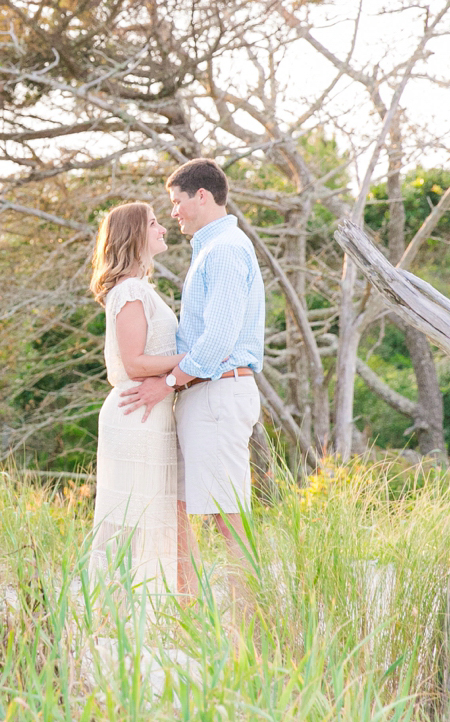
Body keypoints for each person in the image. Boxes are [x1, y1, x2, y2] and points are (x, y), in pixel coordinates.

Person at [120, 158, 264, 602]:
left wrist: (167, 383)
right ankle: (192, 610)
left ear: (201, 196)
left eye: (177, 202)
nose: (175, 213)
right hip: (205, 393)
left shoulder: (224, 250)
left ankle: (249, 618)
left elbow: (219, 339)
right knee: (188, 508)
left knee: (226, 514)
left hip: (219, 391)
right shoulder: (213, 247)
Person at [88, 201, 187, 596]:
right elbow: (134, 362)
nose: (163, 228)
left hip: (152, 411)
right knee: (134, 516)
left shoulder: (140, 289)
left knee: (150, 514)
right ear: (135, 234)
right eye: (154, 223)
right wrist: (195, 361)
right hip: (135, 414)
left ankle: (150, 609)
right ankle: (117, 611)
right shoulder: (129, 290)